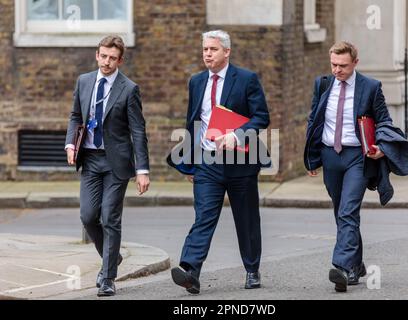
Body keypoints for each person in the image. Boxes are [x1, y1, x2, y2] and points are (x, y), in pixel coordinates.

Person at [167, 30, 270, 294]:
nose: (207, 54)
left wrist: (237, 135)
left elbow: (261, 117)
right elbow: (192, 123)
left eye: (213, 49)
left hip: (241, 163)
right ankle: (190, 270)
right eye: (204, 49)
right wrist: (190, 161)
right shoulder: (196, 81)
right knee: (203, 217)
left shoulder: (246, 79)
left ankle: (251, 270)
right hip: (207, 162)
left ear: (227, 52)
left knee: (246, 219)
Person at [65, 35, 150, 297]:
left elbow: (138, 130)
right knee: (88, 216)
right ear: (97, 55)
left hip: (116, 163)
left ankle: (108, 277)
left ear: (120, 60)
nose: (107, 62)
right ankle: (112, 257)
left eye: (112, 58)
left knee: (110, 217)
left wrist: (142, 169)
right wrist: (70, 144)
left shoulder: (129, 88)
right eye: (103, 56)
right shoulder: (84, 81)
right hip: (90, 159)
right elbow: (76, 115)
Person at [304, 41, 392, 293]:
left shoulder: (371, 87)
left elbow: (384, 120)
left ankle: (342, 268)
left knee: (347, 211)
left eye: (342, 65)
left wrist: (381, 148)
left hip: (357, 156)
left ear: (355, 62)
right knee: (340, 212)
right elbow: (314, 120)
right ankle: (356, 263)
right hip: (330, 155)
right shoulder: (322, 84)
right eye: (333, 64)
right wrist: (312, 157)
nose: (337, 70)